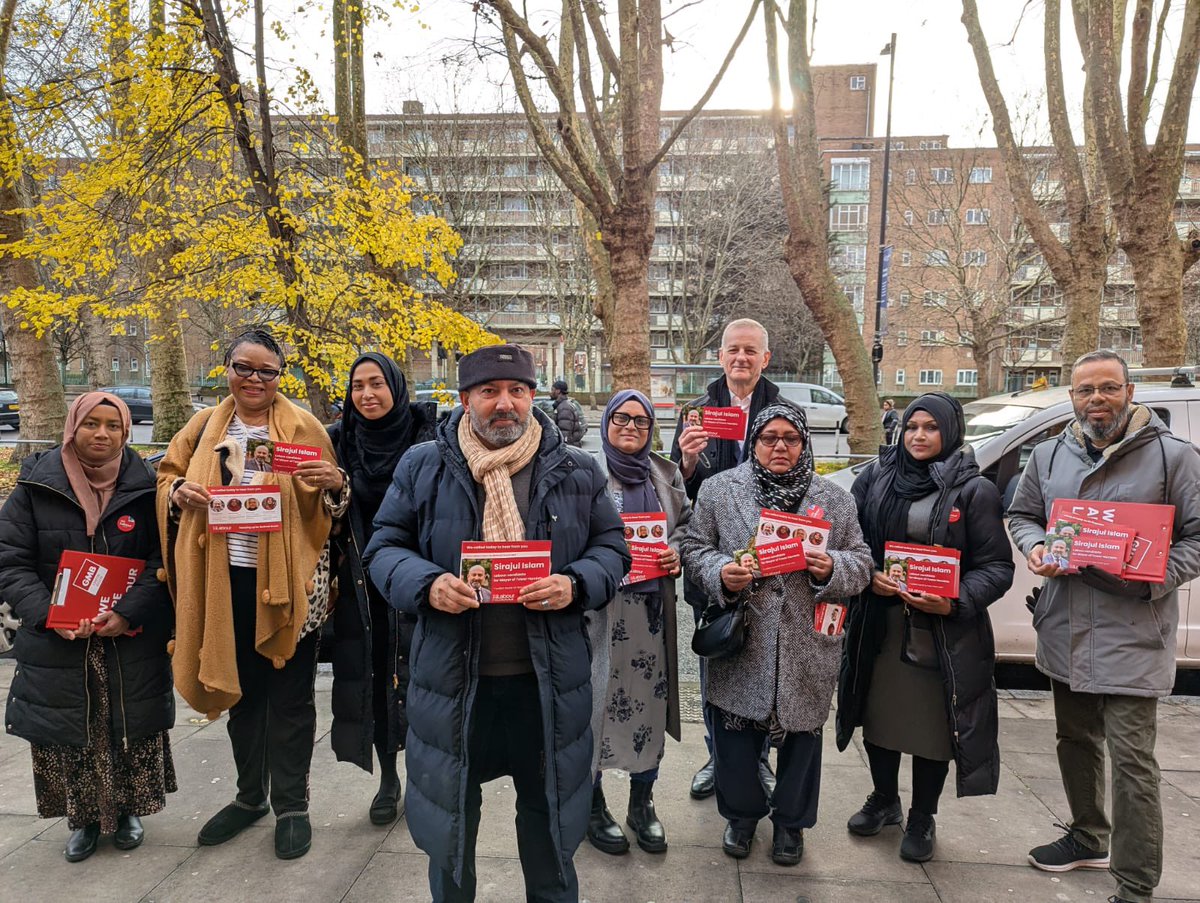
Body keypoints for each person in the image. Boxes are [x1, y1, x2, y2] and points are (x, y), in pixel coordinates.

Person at [364, 344, 630, 903]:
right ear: (465, 400)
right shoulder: (424, 465)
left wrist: (576, 583)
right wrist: (427, 584)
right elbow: (384, 547)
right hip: (456, 682)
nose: (504, 403)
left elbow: (613, 548)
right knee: (454, 825)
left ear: (533, 397)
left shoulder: (577, 469)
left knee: (548, 817)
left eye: (517, 391)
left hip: (548, 683)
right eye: (489, 391)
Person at [1007, 350, 1200, 903]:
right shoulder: (1047, 456)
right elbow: (1023, 517)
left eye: (1109, 387)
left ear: (1130, 392)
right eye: (1085, 389)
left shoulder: (1174, 459)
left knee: (1133, 763)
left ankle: (1136, 886)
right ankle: (1088, 836)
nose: (1098, 398)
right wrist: (1037, 545)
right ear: (1071, 397)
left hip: (1134, 632)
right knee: (1074, 740)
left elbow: (1196, 539)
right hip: (1065, 625)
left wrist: (1154, 575)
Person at [156, 328, 346, 860]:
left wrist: (334, 483)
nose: (255, 379)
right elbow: (165, 477)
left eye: (267, 371)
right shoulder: (201, 428)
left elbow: (334, 513)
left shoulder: (304, 426)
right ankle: (248, 798)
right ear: (227, 367)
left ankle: (292, 805)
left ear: (280, 375)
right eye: (245, 367)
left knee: (290, 701)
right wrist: (177, 492)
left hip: (294, 585)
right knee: (242, 694)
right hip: (223, 583)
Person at [680, 405, 873, 865]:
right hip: (743, 639)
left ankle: (790, 824)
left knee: (803, 740)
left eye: (790, 438)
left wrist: (834, 568)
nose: (779, 446)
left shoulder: (835, 498)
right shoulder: (720, 489)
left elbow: (862, 559)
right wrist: (721, 572)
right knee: (735, 741)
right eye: (769, 437)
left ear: (804, 444)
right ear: (754, 442)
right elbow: (692, 546)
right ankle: (741, 818)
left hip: (807, 641)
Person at [836, 393, 1015, 862]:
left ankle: (922, 814)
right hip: (880, 620)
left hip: (942, 631)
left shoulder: (974, 490)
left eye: (930, 427)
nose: (918, 435)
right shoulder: (875, 476)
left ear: (950, 431)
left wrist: (953, 601)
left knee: (932, 728)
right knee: (877, 716)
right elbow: (851, 539)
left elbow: (997, 567)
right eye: (912, 426)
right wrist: (865, 572)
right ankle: (884, 799)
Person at [0, 392, 176, 863]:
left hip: (126, 637)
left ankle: (127, 812)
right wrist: (47, 615)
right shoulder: (35, 487)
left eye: (113, 426)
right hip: (59, 638)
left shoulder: (146, 488)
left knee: (125, 724)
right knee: (72, 729)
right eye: (91, 424)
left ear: (126, 431)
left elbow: (164, 562)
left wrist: (128, 613)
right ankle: (80, 818)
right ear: (72, 428)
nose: (102, 434)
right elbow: (10, 561)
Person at [670, 317, 782, 801]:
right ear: (720, 356)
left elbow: (802, 483)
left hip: (769, 565)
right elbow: (677, 488)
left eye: (749, 351)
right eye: (733, 350)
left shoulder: (784, 410)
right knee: (715, 661)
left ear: (764, 358)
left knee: (766, 667)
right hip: (711, 560)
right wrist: (688, 461)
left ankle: (759, 759)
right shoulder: (696, 412)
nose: (741, 358)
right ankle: (718, 756)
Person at [327, 352, 438, 825]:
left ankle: (424, 777)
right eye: (357, 386)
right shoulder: (337, 440)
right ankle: (388, 777)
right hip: (360, 579)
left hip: (417, 576)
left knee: (423, 677)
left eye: (377, 384)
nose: (367, 395)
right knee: (372, 677)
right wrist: (336, 489)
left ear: (396, 386)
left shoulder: (428, 435)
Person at [584, 390, 691, 856]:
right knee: (594, 705)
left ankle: (641, 803)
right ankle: (591, 804)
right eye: (622, 418)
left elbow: (687, 525)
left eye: (641, 421)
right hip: (596, 616)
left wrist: (678, 552)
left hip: (648, 618)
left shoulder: (666, 475)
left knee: (647, 707)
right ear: (606, 422)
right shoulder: (583, 473)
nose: (631, 427)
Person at [550, 379, 586, 447]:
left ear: (558, 391)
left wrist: (562, 448)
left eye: (552, 389)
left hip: (567, 450)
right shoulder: (564, 405)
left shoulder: (564, 408)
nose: (551, 392)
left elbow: (565, 433)